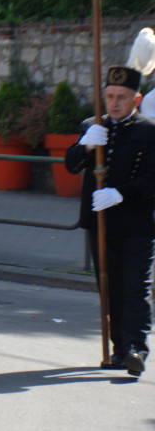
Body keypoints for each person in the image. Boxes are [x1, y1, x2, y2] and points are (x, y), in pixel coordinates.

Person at [65, 63, 155, 376]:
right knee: (110, 288)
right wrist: (86, 145)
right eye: (110, 96)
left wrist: (121, 194)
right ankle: (119, 348)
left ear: (136, 99)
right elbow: (71, 166)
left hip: (136, 224)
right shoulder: (93, 124)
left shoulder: (149, 131)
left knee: (135, 288)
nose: (114, 103)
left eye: (121, 96)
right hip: (100, 224)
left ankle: (135, 348)